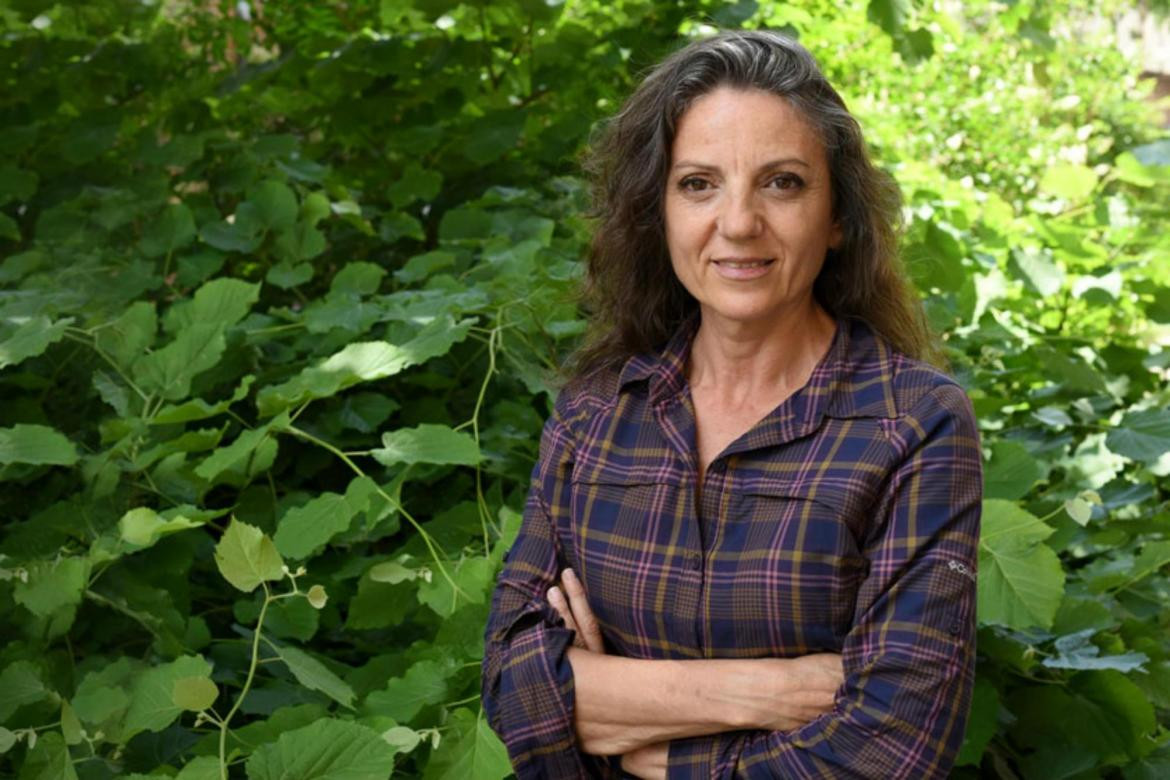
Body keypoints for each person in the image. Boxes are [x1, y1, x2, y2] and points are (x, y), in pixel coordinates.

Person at [481, 29, 982, 780]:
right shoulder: (594, 416)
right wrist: (770, 693)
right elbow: (511, 693)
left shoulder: (914, 425)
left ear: (840, 216)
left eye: (782, 182)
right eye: (698, 184)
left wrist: (656, 744)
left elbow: (892, 748)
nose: (739, 223)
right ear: (659, 212)